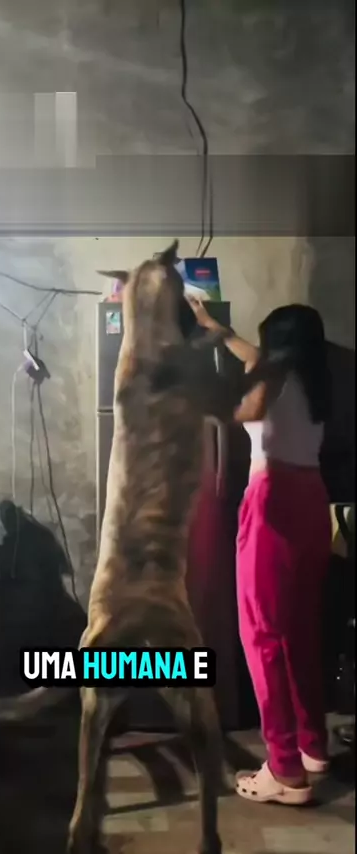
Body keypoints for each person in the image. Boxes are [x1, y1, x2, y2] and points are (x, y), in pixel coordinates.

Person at [189, 299, 332, 806]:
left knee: (262, 634)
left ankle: (285, 771)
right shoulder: (312, 377)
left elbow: (246, 409)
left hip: (273, 503)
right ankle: (312, 747)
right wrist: (218, 329)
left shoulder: (271, 375)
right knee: (299, 630)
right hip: (313, 501)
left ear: (280, 345)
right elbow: (252, 357)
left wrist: (192, 393)